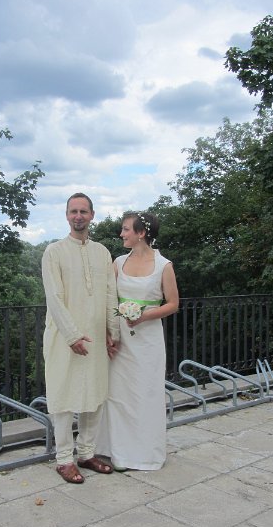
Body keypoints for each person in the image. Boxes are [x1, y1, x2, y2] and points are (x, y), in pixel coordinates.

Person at [41, 193, 120, 484]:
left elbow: (110, 294)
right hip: (63, 337)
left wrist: (113, 331)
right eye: (73, 211)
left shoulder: (102, 252)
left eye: (83, 211)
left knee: (95, 395)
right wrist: (72, 334)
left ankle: (86, 454)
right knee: (63, 398)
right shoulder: (54, 251)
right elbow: (54, 297)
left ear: (92, 215)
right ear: (66, 215)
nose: (78, 216)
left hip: (96, 336)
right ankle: (64, 460)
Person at [96, 211, 179, 471]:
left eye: (126, 229)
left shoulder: (164, 265)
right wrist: (108, 332)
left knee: (145, 394)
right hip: (121, 338)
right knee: (117, 394)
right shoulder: (118, 262)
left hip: (148, 340)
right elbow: (108, 298)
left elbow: (173, 304)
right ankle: (114, 450)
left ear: (141, 233)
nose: (121, 234)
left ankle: (143, 454)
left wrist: (144, 316)